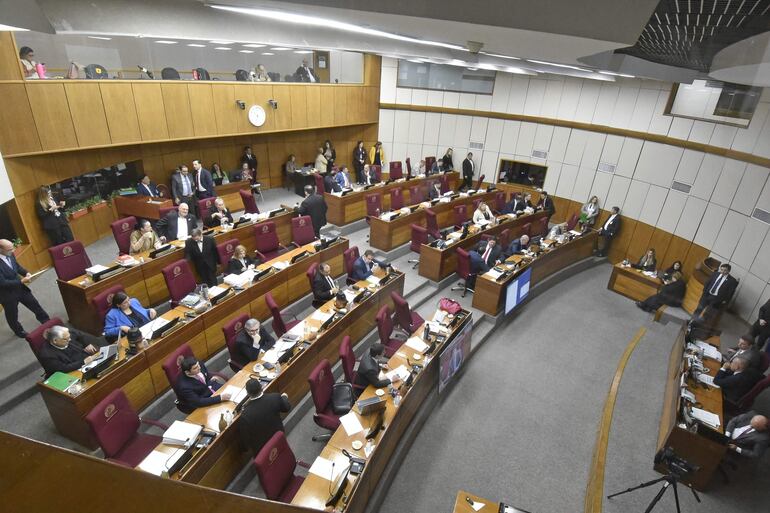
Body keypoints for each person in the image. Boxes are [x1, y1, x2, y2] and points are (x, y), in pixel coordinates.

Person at [0, 238, 50, 338]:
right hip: (7, 294)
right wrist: (21, 281)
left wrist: (26, 273)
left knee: (34, 304)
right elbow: (2, 283)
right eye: (9, 249)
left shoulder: (9, 253)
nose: (13, 251)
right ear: (1, 250)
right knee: (12, 315)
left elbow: (17, 267)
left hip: (20, 289)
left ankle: (46, 321)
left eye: (12, 248)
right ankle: (19, 331)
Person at [238, 378, 291, 454]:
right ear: (261, 387)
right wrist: (284, 397)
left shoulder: (245, 415)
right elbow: (286, 408)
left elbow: (245, 442)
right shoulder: (275, 397)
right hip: (279, 438)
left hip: (262, 451)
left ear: (248, 393)